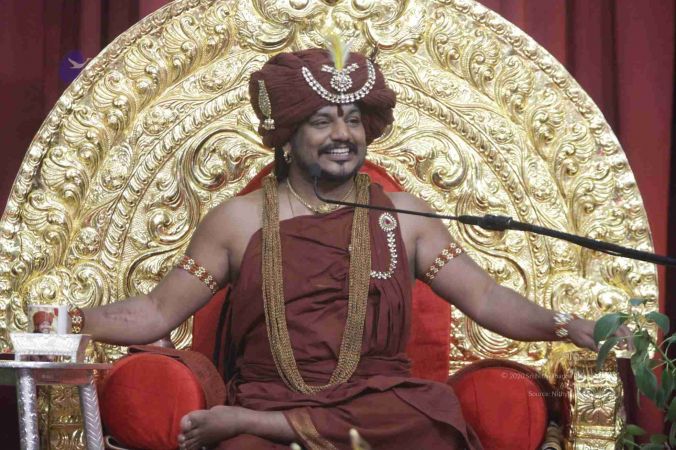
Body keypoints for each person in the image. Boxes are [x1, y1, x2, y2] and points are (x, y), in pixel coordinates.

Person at [75, 45, 632, 450]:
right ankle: (266, 425)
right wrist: (71, 321)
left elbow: (485, 298)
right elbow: (156, 311)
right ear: (287, 137)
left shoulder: (406, 216)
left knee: (429, 414)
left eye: (353, 121)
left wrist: (567, 325)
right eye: (322, 121)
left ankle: (268, 427)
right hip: (272, 392)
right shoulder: (237, 221)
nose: (342, 134)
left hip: (378, 404)